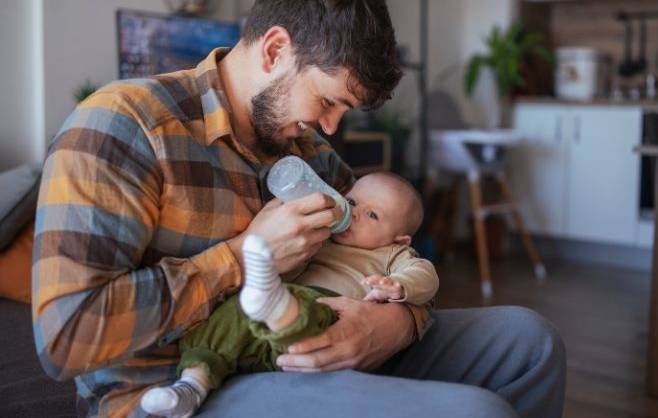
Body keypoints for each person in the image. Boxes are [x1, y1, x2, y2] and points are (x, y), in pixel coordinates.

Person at [33, 0, 565, 418]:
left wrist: (394, 325)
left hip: (306, 346)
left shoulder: (306, 149)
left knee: (529, 341)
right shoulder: (124, 126)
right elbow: (65, 338)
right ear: (275, 50)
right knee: (475, 411)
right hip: (183, 385)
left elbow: (383, 252)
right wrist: (242, 258)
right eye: (328, 100)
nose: (332, 127)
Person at [140, 171, 438, 418]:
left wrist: (399, 286)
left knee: (309, 309)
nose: (354, 214)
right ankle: (191, 386)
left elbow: (426, 276)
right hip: (269, 320)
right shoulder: (322, 235)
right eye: (351, 201)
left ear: (400, 239)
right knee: (230, 315)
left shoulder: (392, 255)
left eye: (372, 215)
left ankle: (276, 304)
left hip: (327, 313)